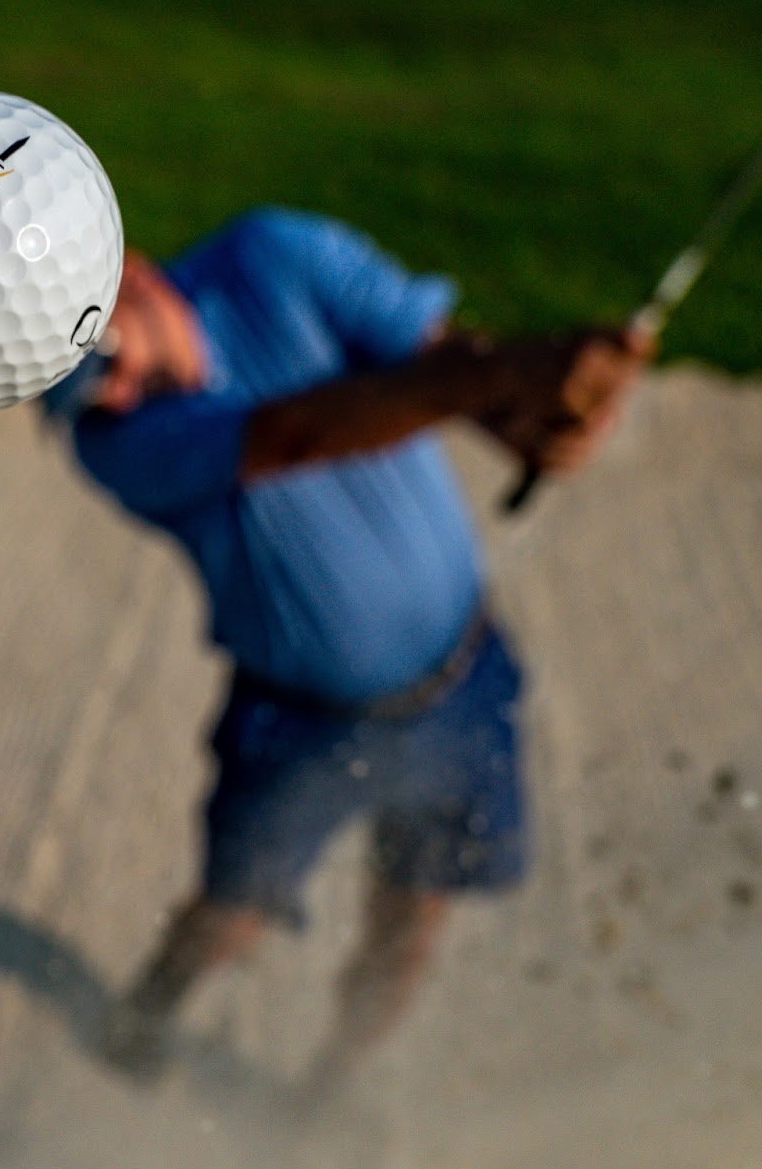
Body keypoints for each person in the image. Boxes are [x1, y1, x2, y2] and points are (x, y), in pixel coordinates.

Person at [41, 208, 648, 1101]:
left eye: (97, 363)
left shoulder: (276, 254)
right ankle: (148, 1014)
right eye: (81, 395)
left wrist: (535, 416)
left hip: (461, 681)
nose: (112, 396)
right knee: (232, 917)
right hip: (298, 721)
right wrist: (510, 375)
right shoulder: (116, 445)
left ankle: (329, 1088)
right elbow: (299, 432)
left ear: (122, 268)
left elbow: (442, 364)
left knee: (411, 926)